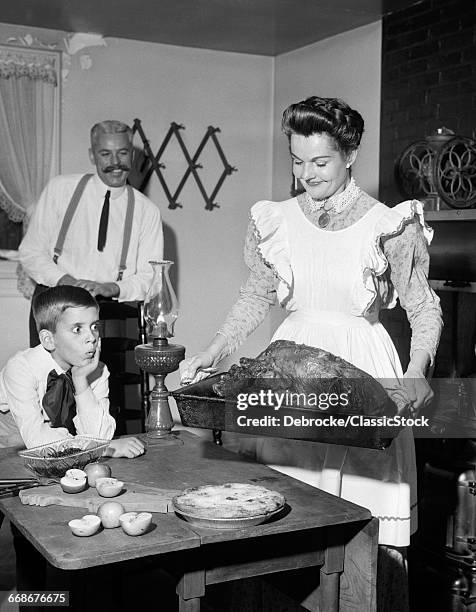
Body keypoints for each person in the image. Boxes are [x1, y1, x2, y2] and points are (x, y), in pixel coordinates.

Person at [180, 96, 443, 610]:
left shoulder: (390, 224)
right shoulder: (276, 219)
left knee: (359, 510)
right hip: (289, 369)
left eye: (319, 162)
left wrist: (416, 370)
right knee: (284, 505)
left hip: (361, 368)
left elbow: (425, 308)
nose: (306, 174)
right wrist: (216, 347)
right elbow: (256, 295)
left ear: (350, 154)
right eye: (297, 162)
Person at [18, 119, 163, 346]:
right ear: (92, 155)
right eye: (105, 154)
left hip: (110, 311)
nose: (115, 162)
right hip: (54, 304)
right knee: (49, 379)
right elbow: (31, 252)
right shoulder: (60, 189)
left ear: (132, 155)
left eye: (122, 153)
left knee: (106, 380)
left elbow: (151, 278)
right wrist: (65, 280)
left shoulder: (147, 211)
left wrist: (111, 287)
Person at [0, 285, 144, 458]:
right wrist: (105, 448)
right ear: (49, 339)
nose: (91, 337)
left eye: (95, 326)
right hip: (10, 451)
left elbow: (99, 437)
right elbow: (37, 443)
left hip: (62, 453)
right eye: (77, 329)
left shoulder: (97, 370)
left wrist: (81, 382)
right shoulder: (21, 368)